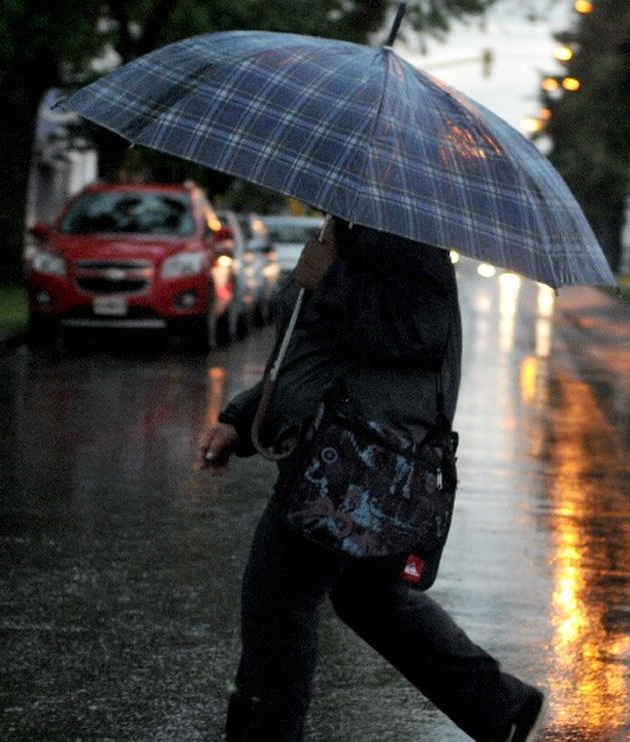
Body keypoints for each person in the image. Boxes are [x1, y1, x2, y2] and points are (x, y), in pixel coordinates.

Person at [198, 218, 545, 741]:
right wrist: (243, 422)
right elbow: (307, 350)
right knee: (367, 595)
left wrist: (330, 274)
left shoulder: (399, 232)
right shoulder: (351, 226)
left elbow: (416, 329)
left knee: (277, 601)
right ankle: (498, 705)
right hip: (337, 450)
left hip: (349, 458)